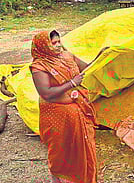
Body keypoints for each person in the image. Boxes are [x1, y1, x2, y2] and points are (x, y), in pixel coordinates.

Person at [30, 30, 108, 183]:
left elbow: (86, 68)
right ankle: (58, 179)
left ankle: (83, 178)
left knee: (84, 146)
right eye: (53, 43)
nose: (58, 45)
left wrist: (101, 56)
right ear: (43, 46)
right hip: (55, 114)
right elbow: (47, 93)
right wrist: (72, 83)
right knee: (60, 149)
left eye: (59, 41)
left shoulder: (67, 55)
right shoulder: (39, 67)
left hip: (78, 109)